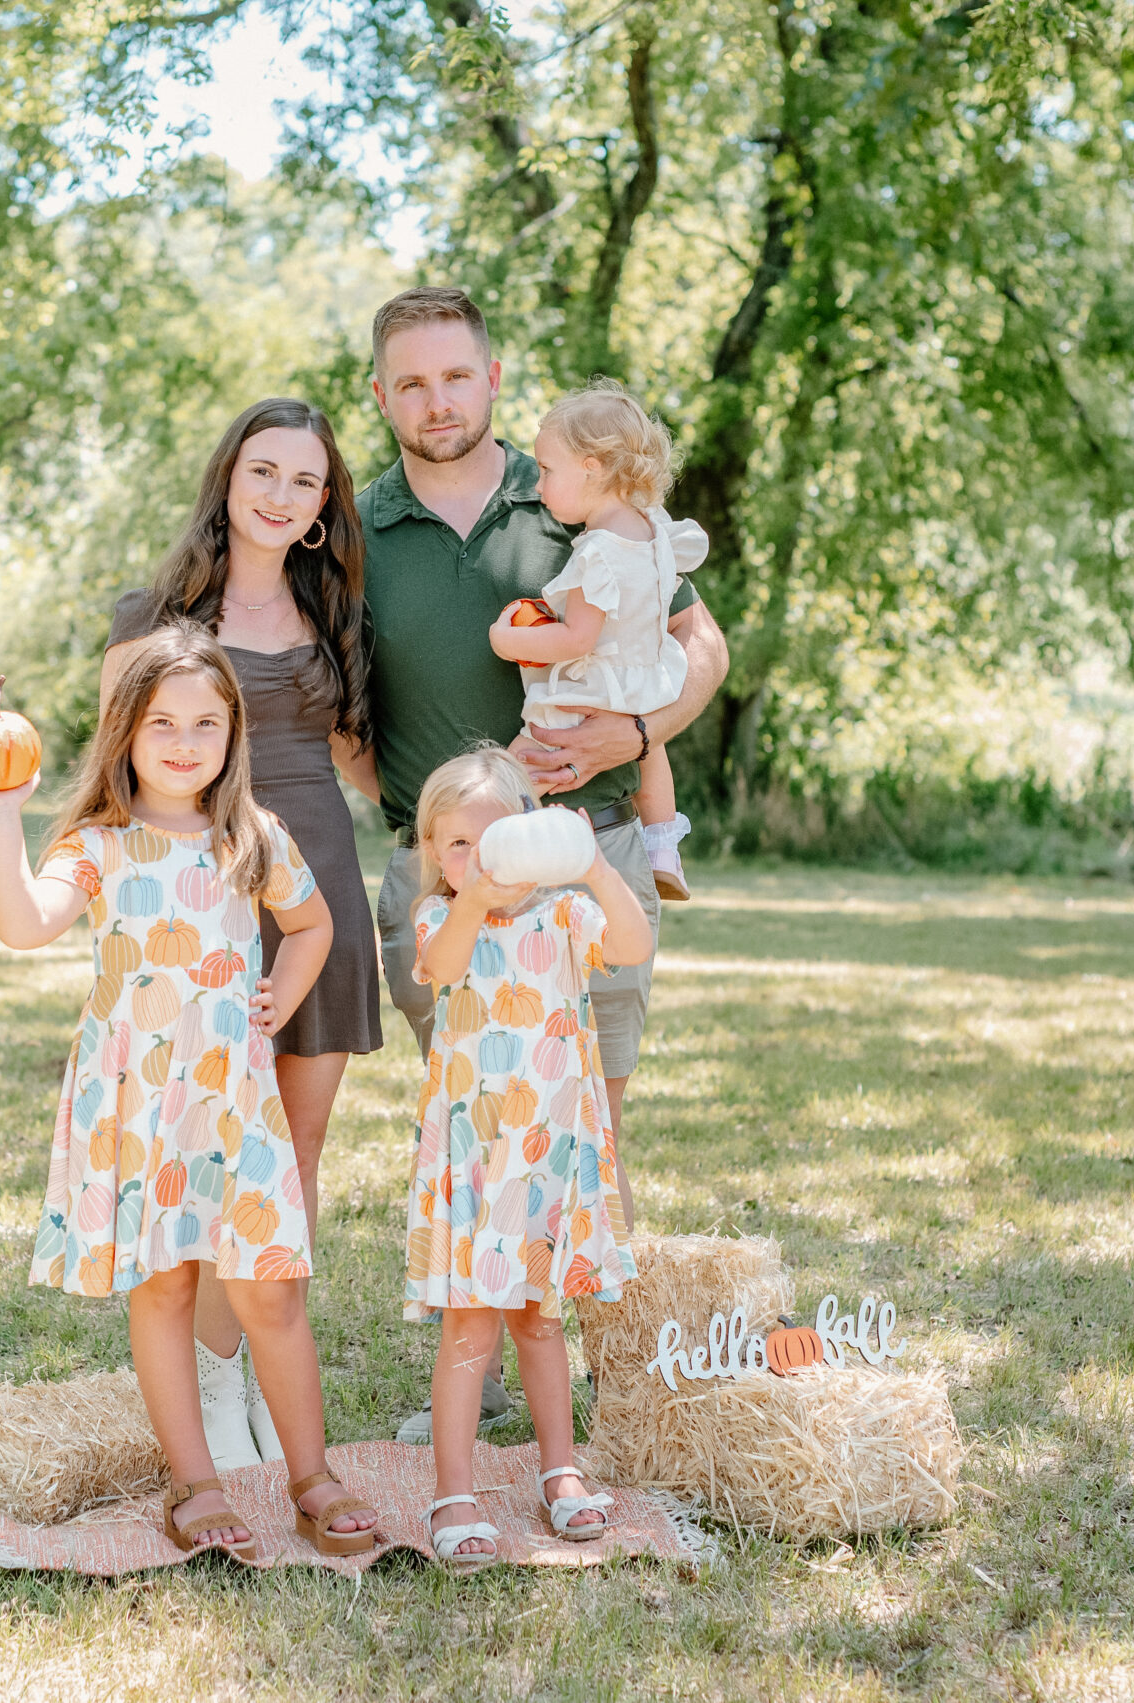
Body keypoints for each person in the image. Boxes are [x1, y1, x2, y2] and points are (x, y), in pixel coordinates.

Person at [359, 285, 728, 1436]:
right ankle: (482, 1369)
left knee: (588, 1119)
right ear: (381, 396)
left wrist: (637, 733)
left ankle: (598, 1378)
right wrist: (411, 808)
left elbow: (696, 638)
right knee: (474, 1122)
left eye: (455, 375)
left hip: (590, 853)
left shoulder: (575, 488)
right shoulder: (353, 524)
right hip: (446, 881)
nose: (436, 400)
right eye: (410, 381)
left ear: (492, 378)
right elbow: (325, 692)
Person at [0, 626, 379, 1560]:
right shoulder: (99, 844)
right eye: (161, 723)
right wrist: (1, 810)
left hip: (231, 1099)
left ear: (233, 734)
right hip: (141, 1103)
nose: (185, 742)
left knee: (271, 1289)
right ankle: (197, 1482)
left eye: (207, 723)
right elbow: (24, 923)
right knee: (167, 1287)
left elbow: (312, 925)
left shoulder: (249, 836)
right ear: (125, 733)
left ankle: (310, 1473)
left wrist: (278, 999)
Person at [104, 398, 383, 1474]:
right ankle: (210, 1384)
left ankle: (258, 1373)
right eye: (261, 471)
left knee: (290, 1157)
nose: (279, 495)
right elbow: (114, 773)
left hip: (316, 895)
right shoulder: (152, 613)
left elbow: (366, 759)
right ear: (228, 480)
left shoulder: (338, 617)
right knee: (200, 1156)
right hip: (200, 910)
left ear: (321, 508)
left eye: (303, 481)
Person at [399, 746, 646, 1565]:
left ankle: (560, 1468)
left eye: (493, 838)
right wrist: (472, 894)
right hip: (478, 1159)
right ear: (434, 854)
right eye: (455, 845)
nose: (473, 857)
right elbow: (440, 967)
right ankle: (455, 1489)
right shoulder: (443, 918)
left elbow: (635, 945)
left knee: (542, 1321)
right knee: (470, 1327)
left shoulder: (566, 918)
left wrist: (592, 867)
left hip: (547, 1158)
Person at [491, 380, 708, 898]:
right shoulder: (654, 533)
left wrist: (506, 640)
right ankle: (661, 844)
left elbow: (577, 639)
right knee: (647, 747)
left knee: (516, 766)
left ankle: (499, 852)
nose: (539, 486)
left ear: (591, 467)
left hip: (594, 684)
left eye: (547, 471)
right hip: (646, 677)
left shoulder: (597, 554)